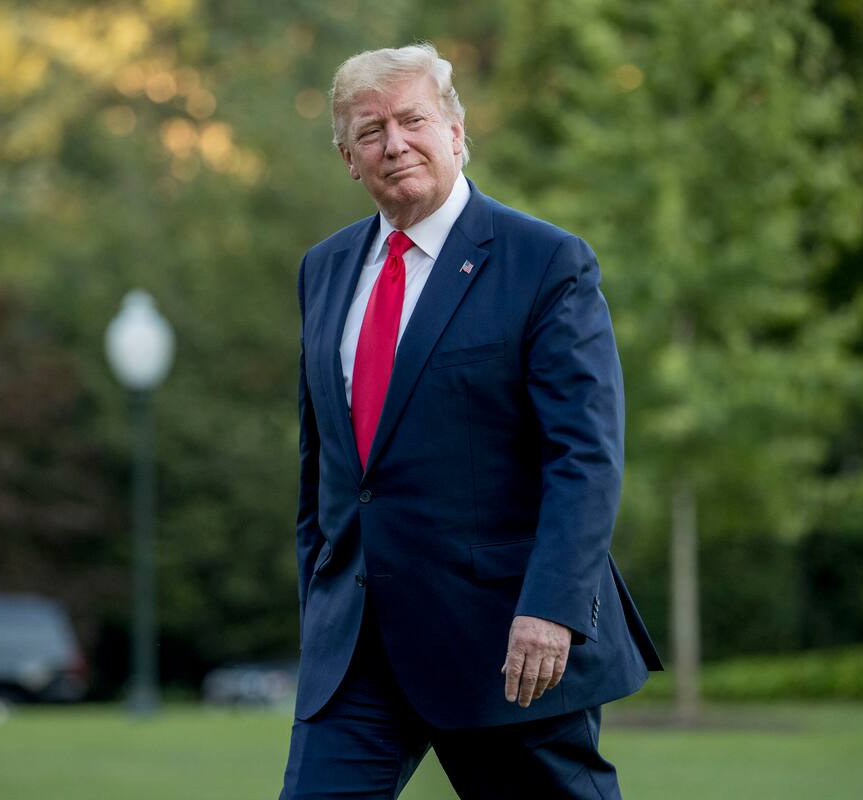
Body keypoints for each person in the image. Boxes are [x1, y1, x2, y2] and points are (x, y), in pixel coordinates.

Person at [280, 43, 662, 800]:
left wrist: (551, 608)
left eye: (413, 120)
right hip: (355, 647)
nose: (395, 143)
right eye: (370, 131)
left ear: (456, 131)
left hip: (505, 642)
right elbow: (321, 461)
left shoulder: (546, 262)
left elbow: (584, 456)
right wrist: (318, 597)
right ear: (349, 158)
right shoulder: (323, 269)